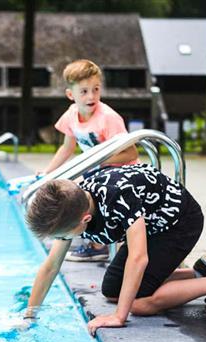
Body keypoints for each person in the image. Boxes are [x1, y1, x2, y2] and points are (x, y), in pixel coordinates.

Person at [22, 164, 206, 335]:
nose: (61, 240)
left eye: (61, 236)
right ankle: (199, 273)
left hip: (179, 223)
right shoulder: (73, 205)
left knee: (139, 304)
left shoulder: (115, 197)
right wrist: (30, 316)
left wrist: (119, 317)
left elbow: (139, 258)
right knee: (111, 290)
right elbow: (51, 266)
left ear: (85, 220)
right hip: (152, 228)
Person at [41, 59, 139, 262]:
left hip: (120, 173)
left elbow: (131, 154)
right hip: (96, 170)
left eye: (95, 89)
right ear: (71, 95)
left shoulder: (108, 118)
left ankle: (98, 245)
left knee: (83, 195)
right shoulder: (71, 115)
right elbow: (67, 147)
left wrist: (96, 163)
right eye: (84, 91)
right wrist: (46, 174)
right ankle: (90, 238)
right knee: (69, 191)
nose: (91, 96)